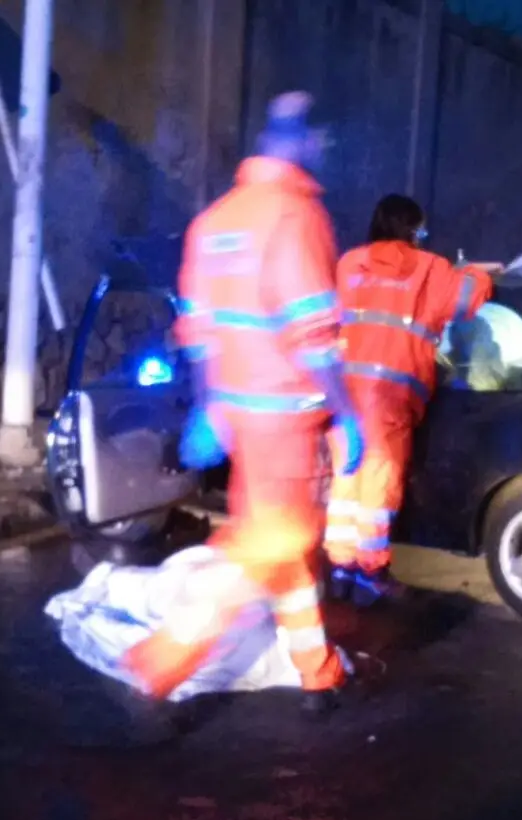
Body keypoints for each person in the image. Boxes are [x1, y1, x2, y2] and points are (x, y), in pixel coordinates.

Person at [120, 91, 367, 717]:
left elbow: (197, 329)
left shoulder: (216, 222)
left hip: (239, 418)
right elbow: (312, 333)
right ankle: (164, 658)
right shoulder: (295, 217)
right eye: (323, 140)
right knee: (276, 537)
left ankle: (317, 670)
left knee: (285, 552)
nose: (326, 152)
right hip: (286, 417)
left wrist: (211, 405)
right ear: (304, 140)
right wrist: (346, 411)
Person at [323, 194, 493, 606]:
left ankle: (340, 568)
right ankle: (372, 571)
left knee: (346, 479)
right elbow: (469, 295)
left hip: (343, 393)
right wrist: (478, 271)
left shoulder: (349, 264)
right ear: (414, 229)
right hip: (390, 395)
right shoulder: (428, 268)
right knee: (379, 488)